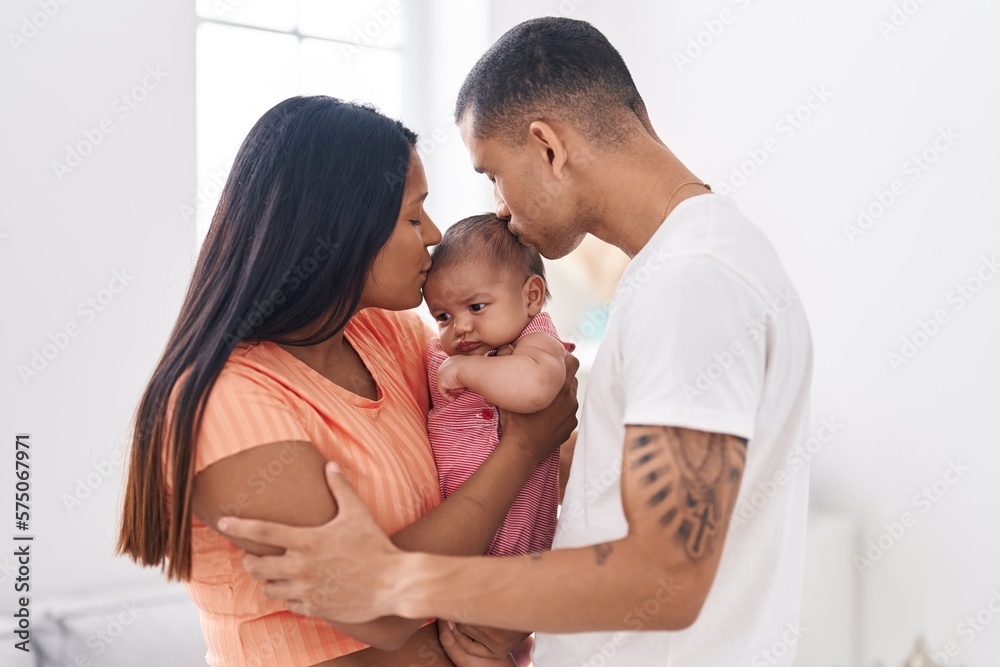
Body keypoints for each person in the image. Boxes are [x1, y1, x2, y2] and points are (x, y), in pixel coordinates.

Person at [219, 17, 814, 667]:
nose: (497, 208)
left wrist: (395, 577)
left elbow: (661, 578)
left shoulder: (692, 280)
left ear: (548, 147)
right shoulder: (697, 262)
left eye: (493, 173)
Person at [115, 96, 579, 666]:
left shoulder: (389, 337)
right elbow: (381, 607)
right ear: (341, 229)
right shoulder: (223, 401)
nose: (433, 235)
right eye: (413, 216)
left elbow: (538, 425)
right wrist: (524, 447)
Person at [423, 213, 576, 557]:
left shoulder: (535, 340)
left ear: (531, 297)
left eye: (476, 306)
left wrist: (465, 370)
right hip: (456, 532)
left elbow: (536, 387)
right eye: (442, 316)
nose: (459, 326)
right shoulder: (436, 353)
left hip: (520, 544)